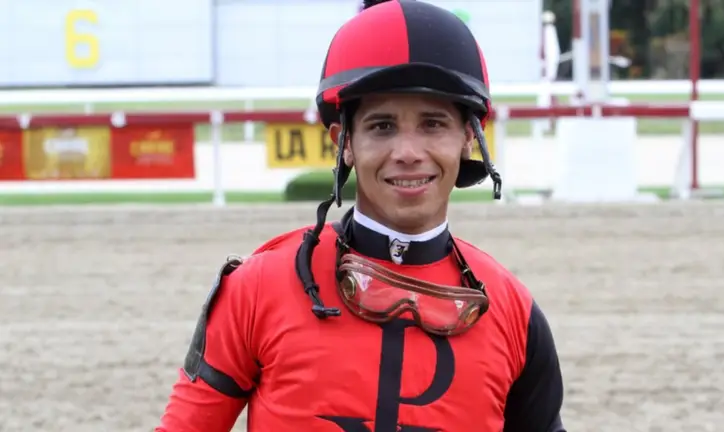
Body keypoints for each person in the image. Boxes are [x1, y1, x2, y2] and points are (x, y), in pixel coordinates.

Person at [155, 0, 567, 431]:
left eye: (433, 124)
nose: (408, 153)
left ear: (467, 138)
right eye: (382, 126)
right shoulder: (255, 288)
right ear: (344, 142)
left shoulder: (514, 312)